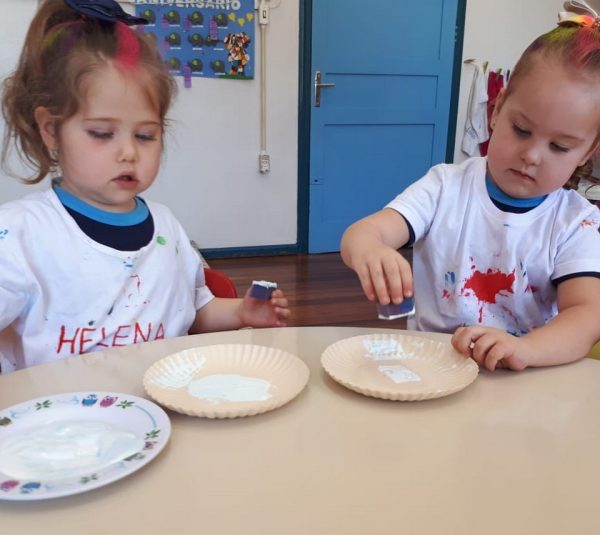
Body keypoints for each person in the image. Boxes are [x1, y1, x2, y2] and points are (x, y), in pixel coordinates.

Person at [0, 0, 289, 373]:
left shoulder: (167, 228)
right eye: (102, 133)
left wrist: (242, 312)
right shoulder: (19, 235)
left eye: (145, 135)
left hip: (163, 403)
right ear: (51, 130)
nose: (129, 152)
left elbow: (193, 310)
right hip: (58, 410)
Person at [341, 16, 600, 371]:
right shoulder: (444, 186)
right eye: (521, 130)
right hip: (432, 365)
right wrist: (368, 248)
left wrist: (526, 349)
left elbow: (587, 315)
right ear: (497, 109)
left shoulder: (576, 223)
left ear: (587, 153)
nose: (532, 156)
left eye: (559, 147)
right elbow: (365, 232)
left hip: (520, 376)